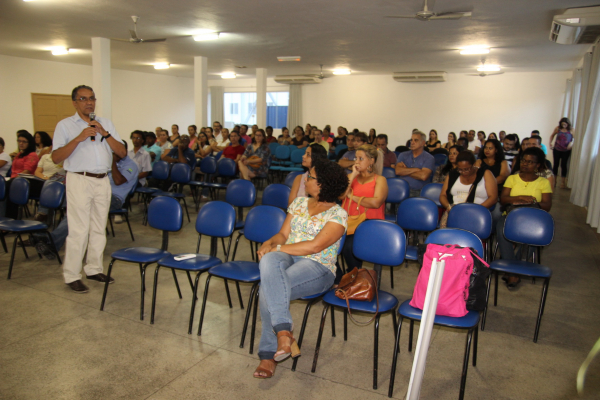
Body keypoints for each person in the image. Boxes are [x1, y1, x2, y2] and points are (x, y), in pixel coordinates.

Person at [254, 158, 348, 379]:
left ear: (323, 184)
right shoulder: (298, 204)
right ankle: (284, 332)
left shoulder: (338, 214)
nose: (305, 179)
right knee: (268, 261)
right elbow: (283, 234)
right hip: (288, 255)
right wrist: (270, 243)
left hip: (317, 266)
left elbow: (315, 246)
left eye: (311, 177)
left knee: (267, 290)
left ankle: (268, 354)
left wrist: (279, 247)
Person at [51, 84, 126, 293]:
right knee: (78, 229)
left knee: (98, 227)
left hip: (103, 180)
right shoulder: (65, 125)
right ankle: (72, 275)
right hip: (79, 179)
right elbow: (56, 157)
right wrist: (79, 138)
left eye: (91, 98)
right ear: (75, 103)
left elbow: (122, 152)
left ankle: (94, 268)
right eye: (83, 99)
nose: (89, 102)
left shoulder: (106, 123)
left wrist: (105, 133)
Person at [33, 142, 138, 260]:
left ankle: (49, 240)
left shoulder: (131, 165)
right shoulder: (103, 161)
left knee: (78, 211)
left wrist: (112, 161)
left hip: (114, 198)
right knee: (55, 197)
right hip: (94, 193)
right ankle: (39, 233)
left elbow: (118, 181)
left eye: (113, 151)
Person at [496, 147, 552, 288]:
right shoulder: (512, 178)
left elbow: (547, 206)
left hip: (532, 219)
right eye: (523, 161)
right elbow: (503, 199)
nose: (525, 164)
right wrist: (520, 198)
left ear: (538, 165)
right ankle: (513, 271)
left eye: (530, 162)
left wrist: (532, 201)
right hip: (511, 215)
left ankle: (512, 269)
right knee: (501, 229)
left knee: (533, 235)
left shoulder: (543, 182)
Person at [340, 144, 387, 272]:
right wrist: (353, 174)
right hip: (350, 222)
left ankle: (353, 274)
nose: (357, 162)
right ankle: (344, 276)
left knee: (349, 245)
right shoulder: (351, 177)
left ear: (371, 161)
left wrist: (353, 197)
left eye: (361, 159)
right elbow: (341, 195)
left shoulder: (380, 180)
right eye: (356, 158)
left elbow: (376, 203)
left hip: (370, 224)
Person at [439, 151, 498, 215]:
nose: (463, 172)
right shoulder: (453, 174)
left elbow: (493, 198)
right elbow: (443, 195)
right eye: (460, 169)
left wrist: (474, 210)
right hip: (455, 211)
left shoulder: (485, 173)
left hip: (478, 212)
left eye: (466, 169)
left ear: (474, 164)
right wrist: (448, 207)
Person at [5, 131, 41, 219]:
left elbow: (27, 171)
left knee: (11, 186)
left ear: (29, 143)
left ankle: (10, 219)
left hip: (27, 181)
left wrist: (13, 180)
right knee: (8, 187)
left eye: (24, 141)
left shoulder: (32, 155)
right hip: (16, 180)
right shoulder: (19, 154)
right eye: (19, 141)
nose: (21, 143)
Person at [395, 131, 436, 197]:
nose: (412, 142)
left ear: (423, 143)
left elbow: (423, 176)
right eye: (411, 140)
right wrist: (417, 169)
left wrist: (405, 170)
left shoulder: (429, 158)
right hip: (402, 190)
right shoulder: (403, 155)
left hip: (419, 192)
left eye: (416, 140)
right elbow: (398, 171)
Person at [549, 117, 574, 189]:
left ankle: (563, 182)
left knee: (564, 165)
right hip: (557, 149)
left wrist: (571, 144)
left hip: (566, 150)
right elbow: (552, 135)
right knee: (556, 164)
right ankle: (554, 181)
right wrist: (550, 143)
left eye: (565, 124)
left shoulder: (571, 130)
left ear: (568, 124)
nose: (564, 126)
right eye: (562, 124)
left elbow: (574, 139)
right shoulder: (557, 128)